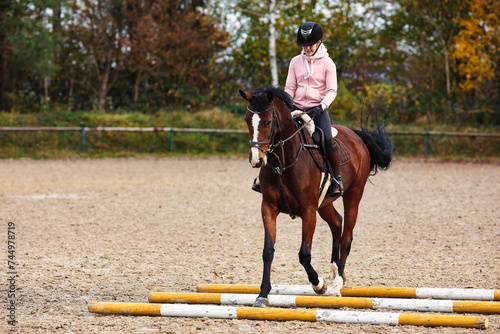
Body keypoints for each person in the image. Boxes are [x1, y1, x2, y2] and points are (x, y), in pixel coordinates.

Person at [252, 21, 343, 197]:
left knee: (326, 140)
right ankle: (262, 177)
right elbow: (289, 87)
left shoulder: (328, 63)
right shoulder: (295, 61)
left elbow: (332, 91)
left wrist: (321, 107)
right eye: (304, 45)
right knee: (275, 135)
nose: (307, 48)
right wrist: (288, 105)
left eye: (310, 45)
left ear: (319, 42)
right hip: (296, 107)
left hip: (318, 110)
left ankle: (337, 179)